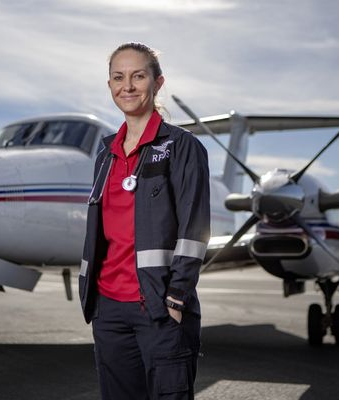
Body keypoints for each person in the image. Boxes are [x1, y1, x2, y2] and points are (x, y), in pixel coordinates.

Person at [79, 42, 211, 400]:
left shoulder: (183, 147)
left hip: (159, 310)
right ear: (110, 86)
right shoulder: (105, 154)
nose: (128, 86)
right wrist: (96, 303)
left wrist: (177, 298)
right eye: (118, 77)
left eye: (138, 76)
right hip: (109, 310)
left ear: (157, 82)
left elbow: (195, 230)